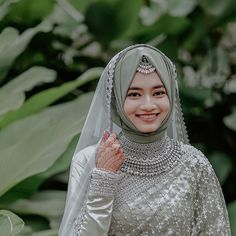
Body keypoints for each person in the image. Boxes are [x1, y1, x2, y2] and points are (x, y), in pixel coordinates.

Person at [59, 44, 231, 236]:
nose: (148, 105)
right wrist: (104, 179)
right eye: (134, 94)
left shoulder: (193, 164)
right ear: (116, 100)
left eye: (158, 93)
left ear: (171, 96)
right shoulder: (90, 160)